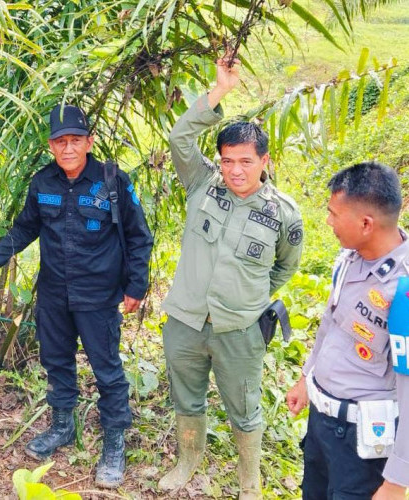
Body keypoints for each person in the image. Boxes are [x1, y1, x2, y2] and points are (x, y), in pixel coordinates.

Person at [0, 103, 153, 488]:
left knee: (107, 369)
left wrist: (136, 285)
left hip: (97, 296)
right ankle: (63, 425)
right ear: (51, 146)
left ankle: (114, 442)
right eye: (60, 142)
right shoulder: (42, 183)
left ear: (89, 142)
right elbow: (22, 230)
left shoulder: (113, 181)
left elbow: (138, 235)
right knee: (57, 362)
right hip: (53, 295)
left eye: (75, 141)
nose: (67, 149)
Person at [158, 56, 304, 498]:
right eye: (227, 161)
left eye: (244, 161)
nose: (235, 170)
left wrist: (246, 297)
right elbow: (179, 137)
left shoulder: (284, 214)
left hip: (239, 330)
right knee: (187, 398)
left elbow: (285, 267)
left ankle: (249, 483)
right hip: (185, 321)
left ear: (265, 160)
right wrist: (218, 92)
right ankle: (187, 462)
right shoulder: (204, 184)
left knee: (245, 410)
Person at [286, 161, 408, 499]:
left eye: (333, 214)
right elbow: (331, 322)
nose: (327, 221)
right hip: (322, 425)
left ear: (366, 223)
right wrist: (306, 378)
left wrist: (397, 481)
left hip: (362, 443)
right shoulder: (349, 258)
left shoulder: (404, 290)